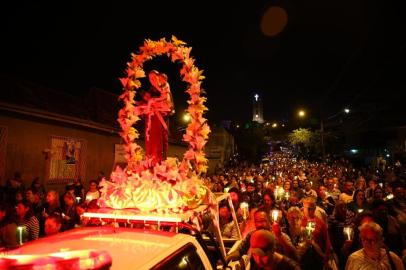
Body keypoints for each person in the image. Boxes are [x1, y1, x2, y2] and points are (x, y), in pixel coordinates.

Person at [137, 70, 174, 165]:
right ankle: (150, 159)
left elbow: (169, 105)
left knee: (160, 140)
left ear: (158, 77)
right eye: (150, 78)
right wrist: (143, 108)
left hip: (160, 119)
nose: (152, 80)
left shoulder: (164, 87)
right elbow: (144, 105)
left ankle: (160, 161)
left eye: (154, 77)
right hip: (151, 121)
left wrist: (157, 105)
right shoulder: (151, 90)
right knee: (150, 140)